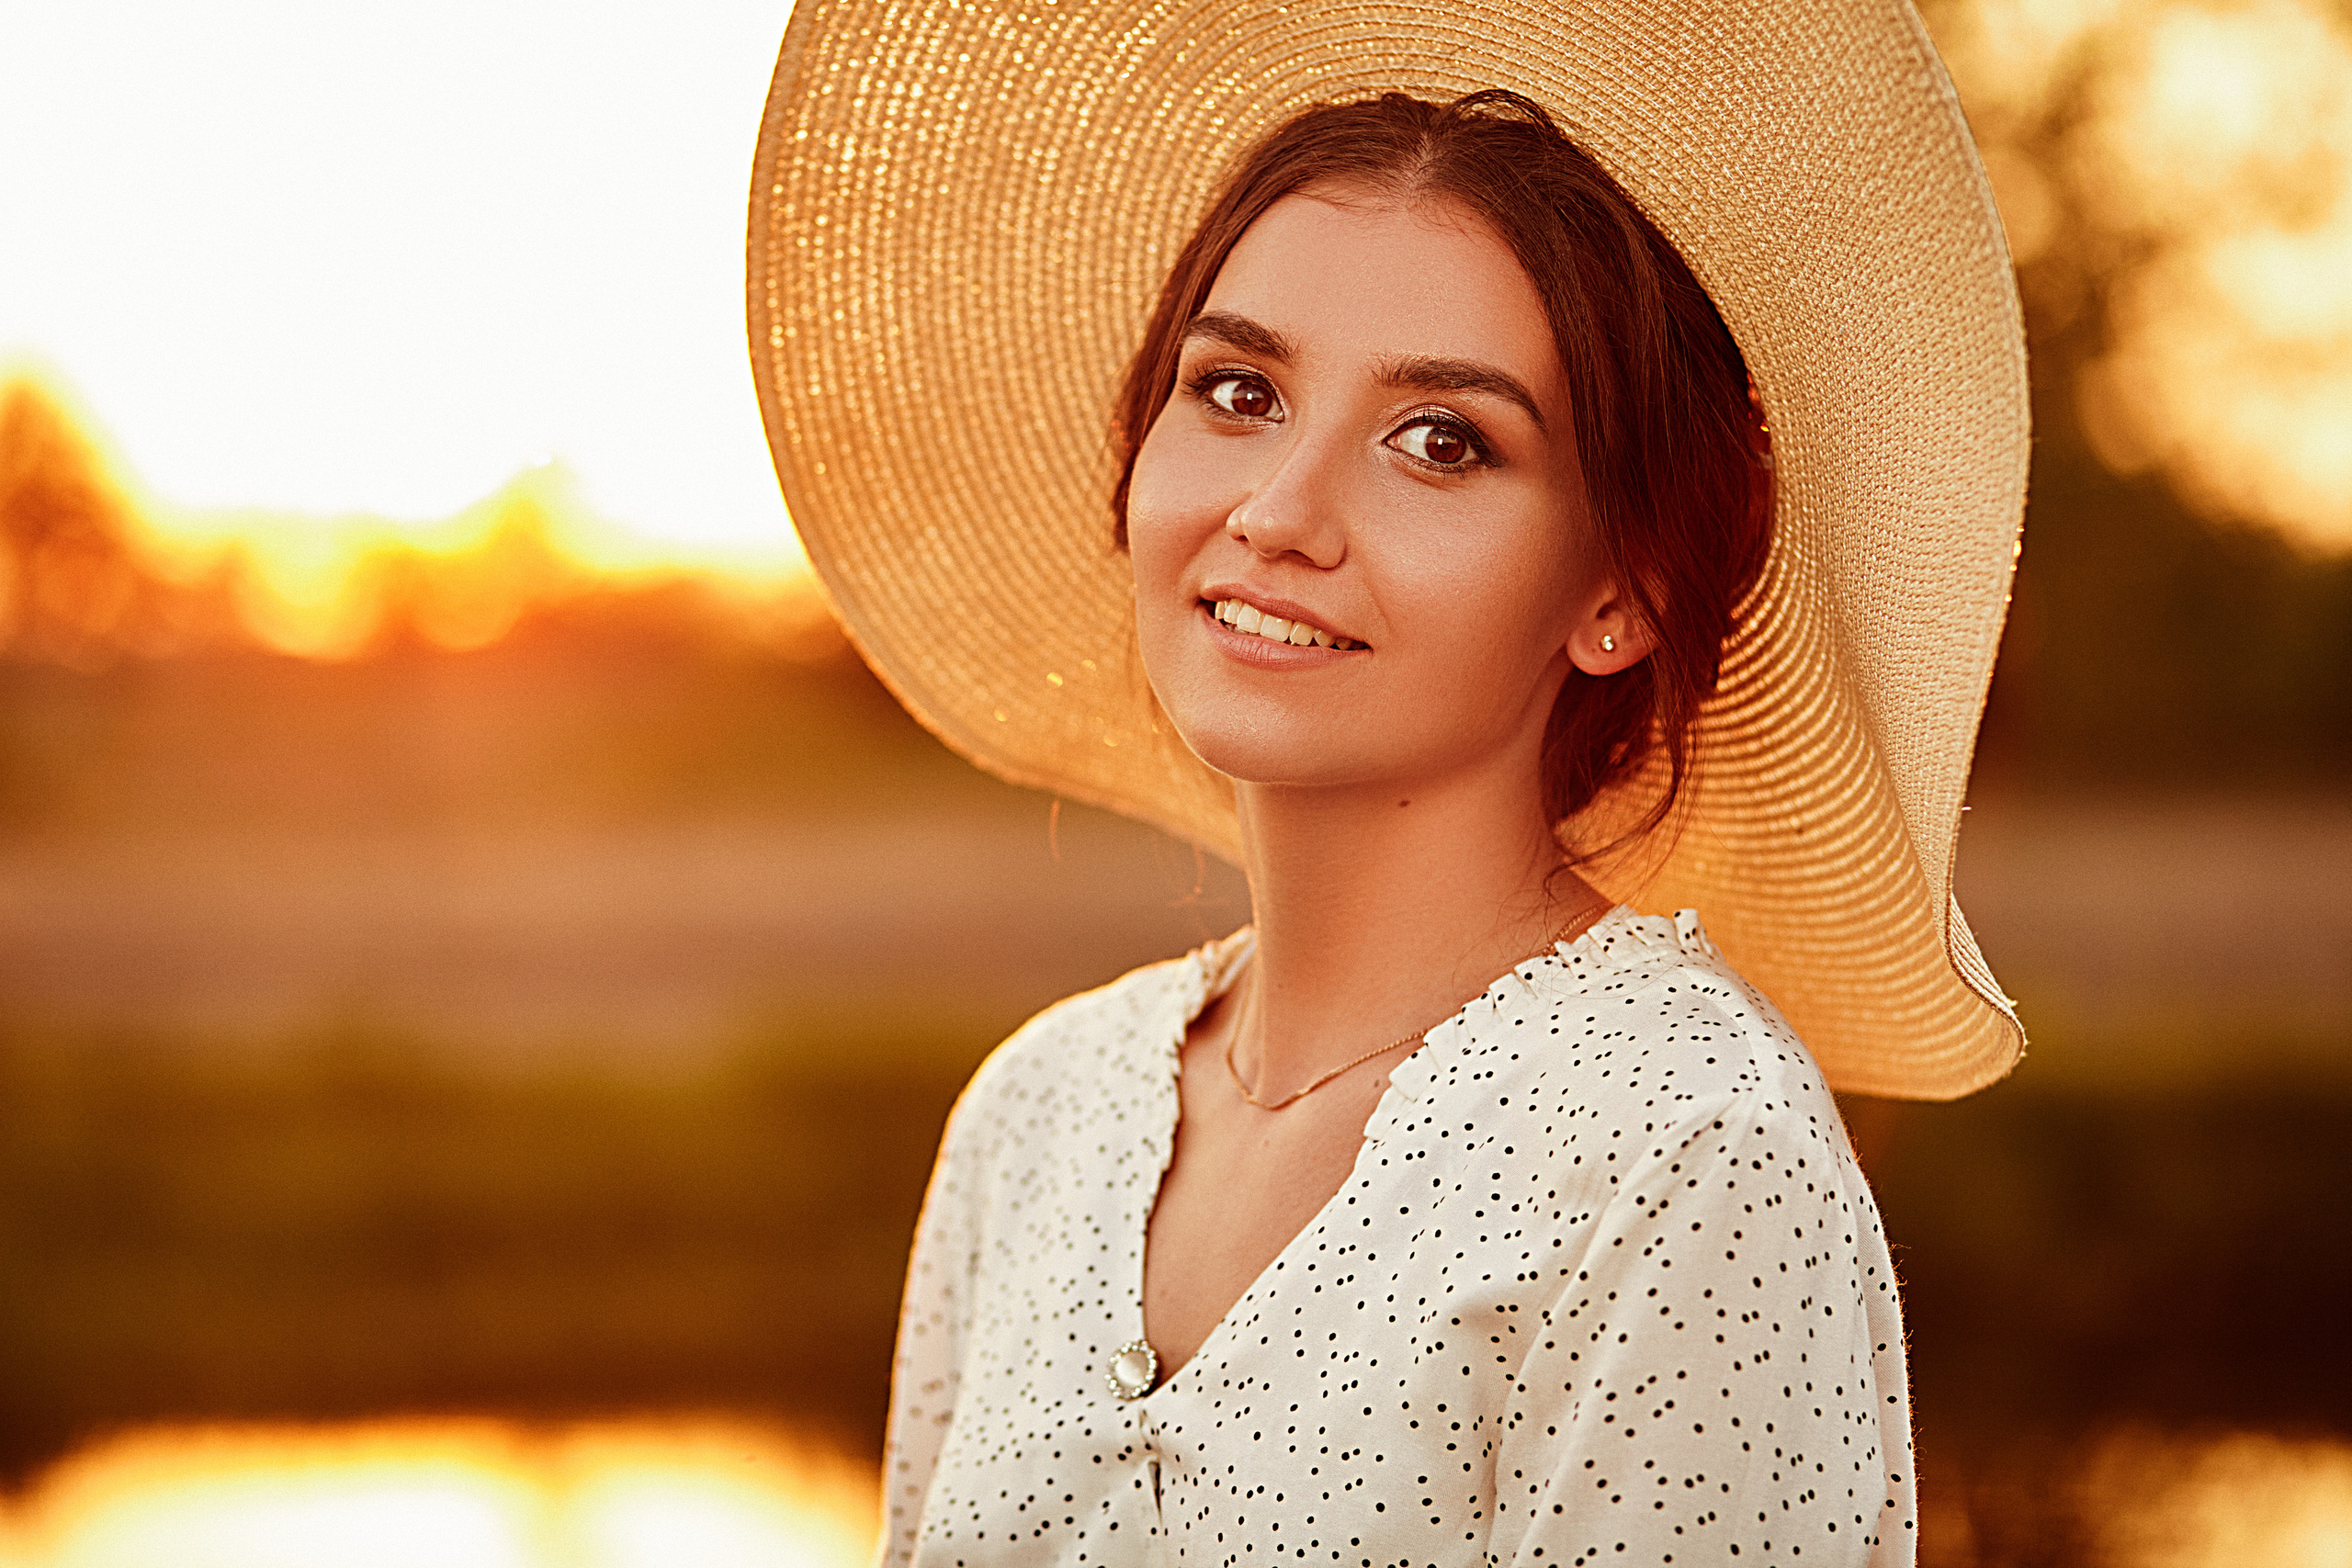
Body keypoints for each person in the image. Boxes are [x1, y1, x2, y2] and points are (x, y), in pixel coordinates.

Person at [748, 5, 2030, 1564]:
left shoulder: (1685, 1148)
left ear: (1620, 589)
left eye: (1441, 440)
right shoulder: (1041, 1112)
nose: (1281, 512)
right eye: (1238, 392)